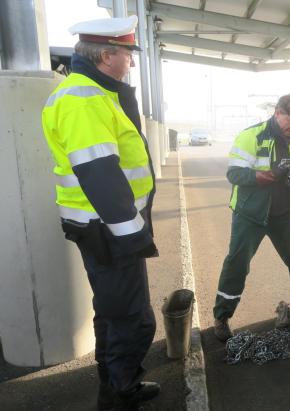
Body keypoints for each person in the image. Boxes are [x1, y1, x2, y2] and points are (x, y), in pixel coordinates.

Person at [41, 16, 159, 410]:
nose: (130, 62)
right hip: (110, 231)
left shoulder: (92, 92)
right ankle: (120, 395)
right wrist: (133, 236)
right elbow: (100, 173)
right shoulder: (85, 99)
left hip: (100, 228)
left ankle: (114, 387)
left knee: (112, 312)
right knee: (132, 319)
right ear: (108, 54)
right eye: (128, 54)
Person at [213, 94, 290, 342]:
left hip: (280, 214)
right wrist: (268, 175)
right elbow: (234, 174)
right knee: (237, 264)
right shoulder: (251, 136)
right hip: (250, 215)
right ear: (277, 113)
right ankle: (221, 317)